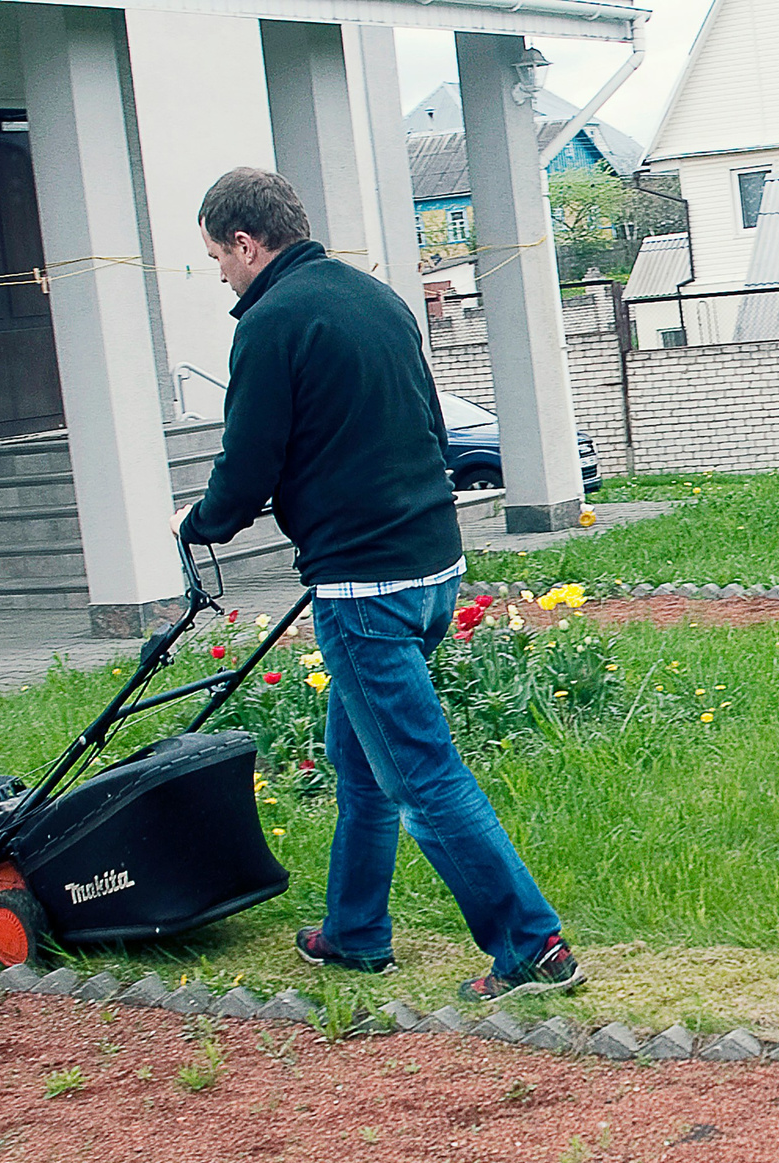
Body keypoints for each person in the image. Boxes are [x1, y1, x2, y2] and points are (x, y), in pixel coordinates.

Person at [177, 167, 580, 1001]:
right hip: (432, 566)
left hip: (365, 589)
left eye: (218, 257)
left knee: (421, 776)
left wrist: (201, 523)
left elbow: (247, 464)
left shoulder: (272, 322)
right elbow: (430, 426)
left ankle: (532, 947)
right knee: (360, 760)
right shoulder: (379, 299)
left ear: (247, 243)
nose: (220, 274)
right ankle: (356, 932)